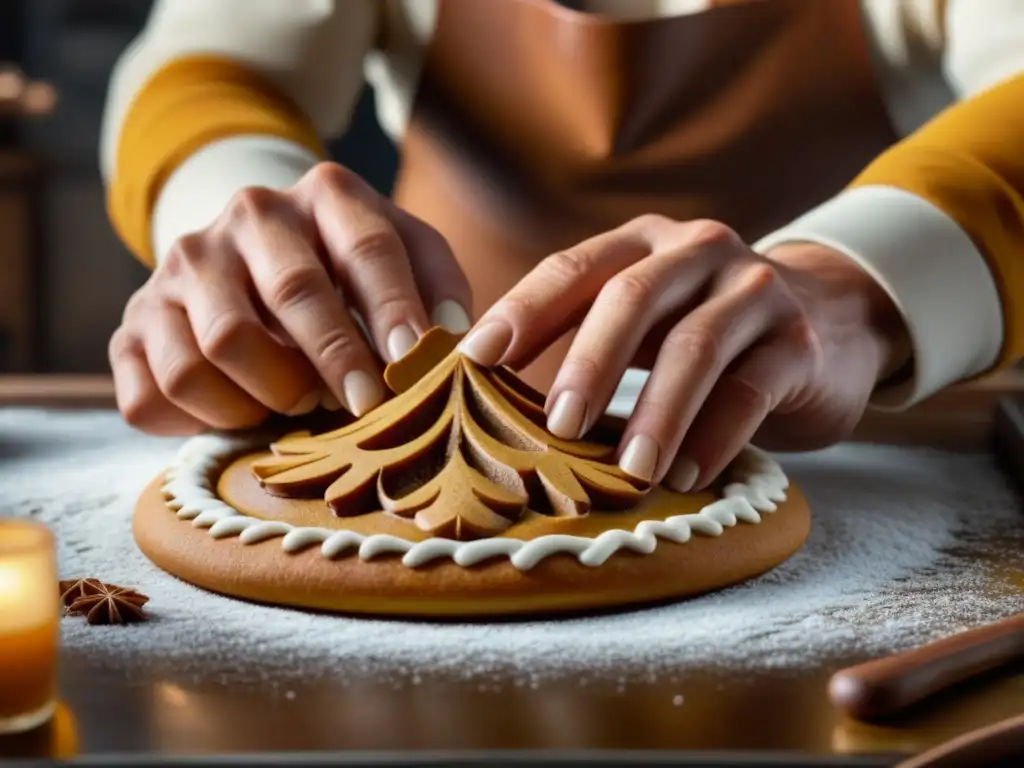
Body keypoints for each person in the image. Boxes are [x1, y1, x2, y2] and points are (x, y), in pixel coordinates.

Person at [100, 0, 1023, 492]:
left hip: (851, 459)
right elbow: (212, 63)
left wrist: (852, 287)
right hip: (397, 450)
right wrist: (244, 235)